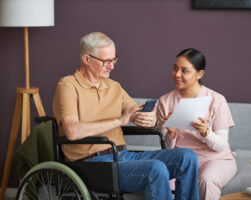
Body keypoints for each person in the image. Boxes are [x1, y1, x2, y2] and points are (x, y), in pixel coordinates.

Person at [52, 32, 199, 200]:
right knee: (156, 169)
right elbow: (72, 131)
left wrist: (152, 119)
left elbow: (138, 113)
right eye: (106, 61)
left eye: (113, 60)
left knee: (187, 157)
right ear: (86, 59)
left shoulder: (114, 86)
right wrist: (120, 121)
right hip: (93, 165)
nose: (112, 66)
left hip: (123, 156)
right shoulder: (68, 85)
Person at [156, 48, 237, 200]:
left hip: (216, 159)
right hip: (182, 161)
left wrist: (206, 133)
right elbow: (167, 150)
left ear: (199, 74)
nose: (177, 74)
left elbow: (220, 145)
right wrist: (171, 134)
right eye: (175, 68)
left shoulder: (216, 100)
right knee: (166, 183)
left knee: (207, 180)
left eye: (184, 70)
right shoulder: (165, 102)